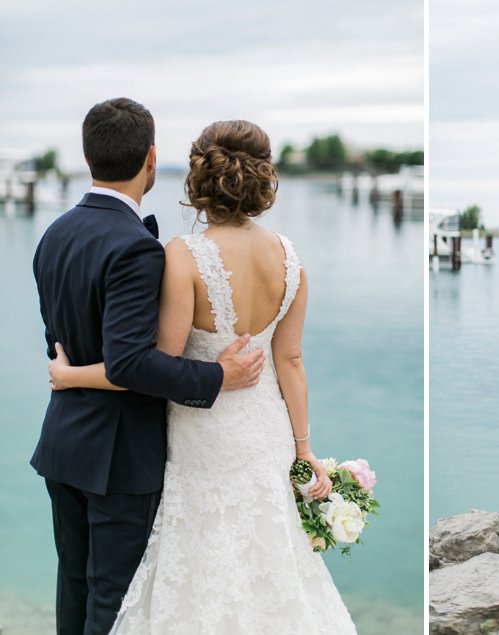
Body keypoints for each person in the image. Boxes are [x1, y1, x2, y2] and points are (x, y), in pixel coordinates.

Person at [48, 119, 357, 632]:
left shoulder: (183, 255)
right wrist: (304, 452)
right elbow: (292, 363)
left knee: (201, 568)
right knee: (269, 564)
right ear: (263, 180)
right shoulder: (292, 259)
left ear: (199, 181)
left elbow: (156, 366)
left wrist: (71, 375)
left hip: (203, 438)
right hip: (267, 434)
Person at [31, 98, 265, 635]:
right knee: (115, 602)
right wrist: (218, 377)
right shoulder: (137, 248)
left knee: (75, 585)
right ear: (152, 160)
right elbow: (133, 362)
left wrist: (67, 376)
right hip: (118, 458)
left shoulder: (54, 234)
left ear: (89, 158)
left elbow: (60, 342)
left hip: (64, 442)